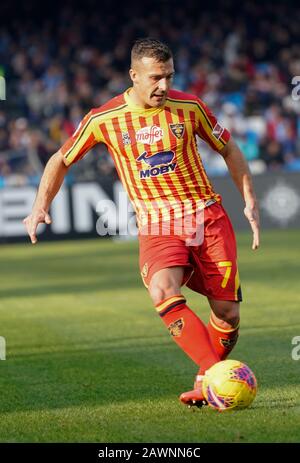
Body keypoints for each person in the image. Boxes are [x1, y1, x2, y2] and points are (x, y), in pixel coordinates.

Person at [23, 38, 260, 407]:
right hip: (157, 224)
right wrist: (40, 205)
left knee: (227, 314)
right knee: (162, 290)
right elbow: (61, 158)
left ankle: (206, 379)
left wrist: (249, 199)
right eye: (154, 78)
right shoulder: (104, 117)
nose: (163, 86)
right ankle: (217, 376)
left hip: (207, 217)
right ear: (134, 75)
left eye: (168, 76)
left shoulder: (190, 106)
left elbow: (228, 148)